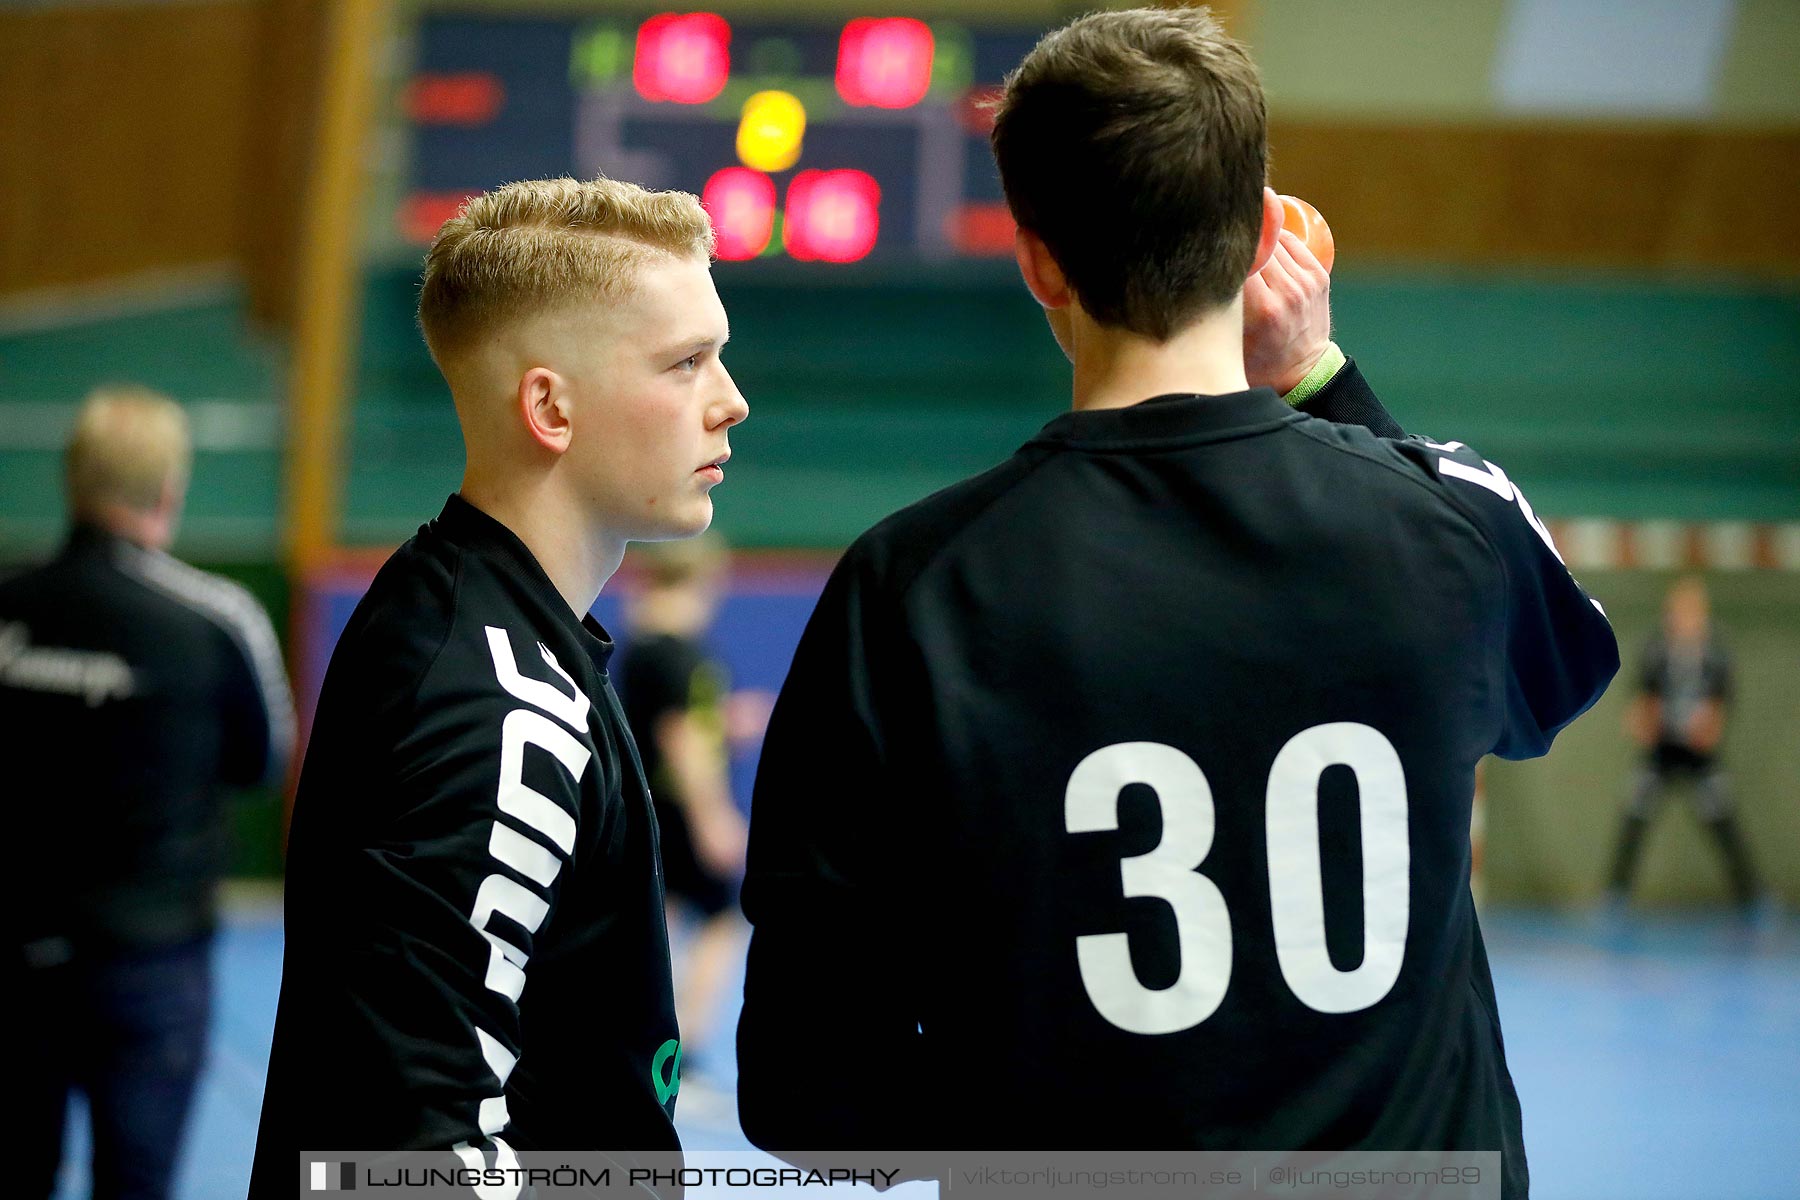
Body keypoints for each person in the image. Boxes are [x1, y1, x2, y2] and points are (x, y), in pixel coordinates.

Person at [735, 10, 1619, 1199]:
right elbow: (1558, 681)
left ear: (1038, 257)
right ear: (1263, 237)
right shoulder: (1440, 521)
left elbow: (808, 1096)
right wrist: (1322, 380)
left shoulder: (909, 590)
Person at [249, 176, 746, 1196]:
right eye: (687, 362)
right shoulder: (498, 699)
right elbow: (416, 1149)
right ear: (551, 407)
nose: (730, 397)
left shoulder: (476, 620)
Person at [7, 386, 294, 1200]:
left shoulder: (8, 605)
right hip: (149, 962)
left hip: (19, 956)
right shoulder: (214, 617)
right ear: (170, 491)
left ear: (70, 482)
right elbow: (263, 761)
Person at [617, 534, 752, 1077]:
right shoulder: (677, 651)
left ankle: (648, 1044)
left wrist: (722, 720)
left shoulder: (641, 644)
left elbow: (677, 724)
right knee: (722, 920)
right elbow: (680, 740)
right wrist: (714, 818)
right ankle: (685, 1053)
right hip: (675, 809)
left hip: (649, 807)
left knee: (657, 923)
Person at [1607, 575, 1760, 909]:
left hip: (1698, 754)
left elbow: (1720, 708)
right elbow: (1641, 702)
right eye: (1679, 610)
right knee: (1635, 814)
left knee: (1722, 818)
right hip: (1660, 751)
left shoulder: (1715, 655)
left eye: (1693, 611)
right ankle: (1615, 893)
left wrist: (1707, 727)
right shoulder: (1656, 650)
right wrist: (1645, 721)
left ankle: (1751, 896)